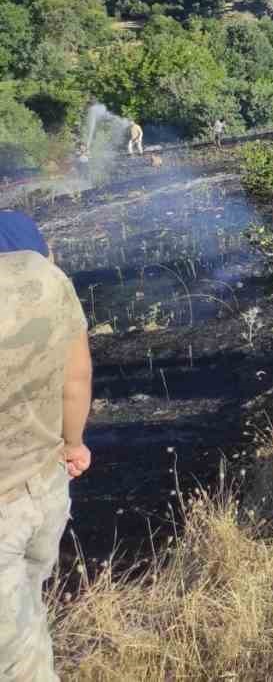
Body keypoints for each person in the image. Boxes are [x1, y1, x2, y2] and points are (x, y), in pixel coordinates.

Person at [1, 249, 92, 682]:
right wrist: (73, 444)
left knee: (16, 662)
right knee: (29, 605)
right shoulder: (45, 278)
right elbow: (77, 378)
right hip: (46, 485)